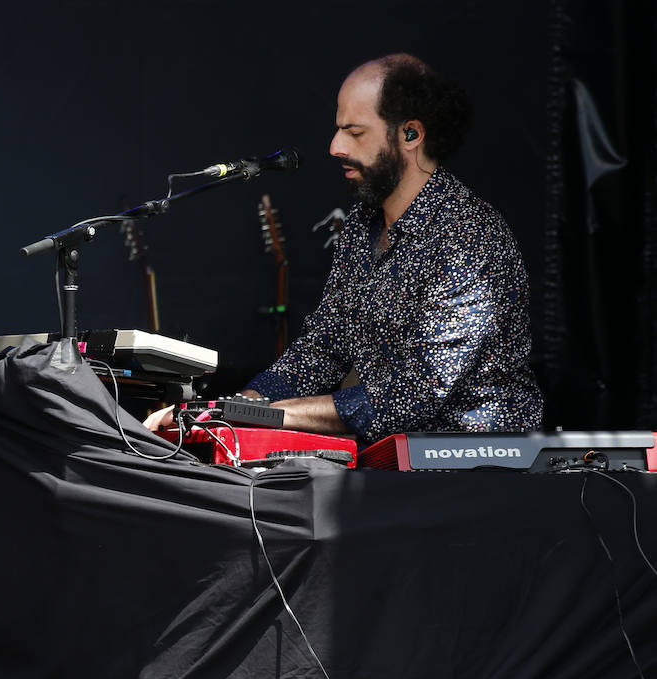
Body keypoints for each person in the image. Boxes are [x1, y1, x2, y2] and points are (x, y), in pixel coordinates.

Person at [149, 54, 542, 442]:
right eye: (338, 130)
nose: (335, 146)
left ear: (410, 134)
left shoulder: (468, 235)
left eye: (355, 133)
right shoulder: (361, 223)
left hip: (477, 464)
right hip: (390, 462)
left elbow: (409, 396)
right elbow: (323, 349)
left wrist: (250, 415)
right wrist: (229, 410)